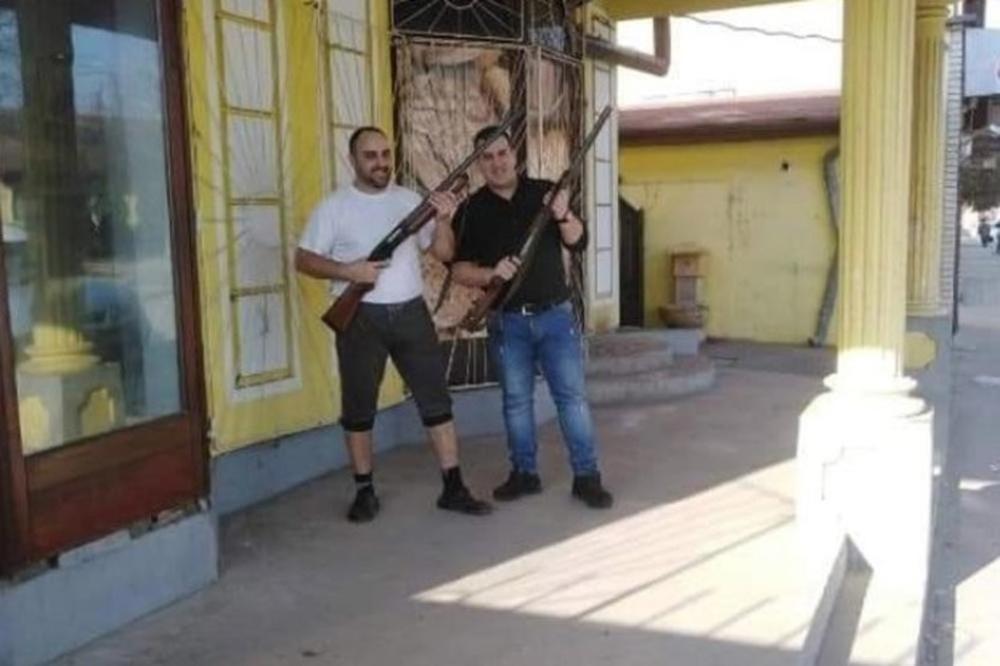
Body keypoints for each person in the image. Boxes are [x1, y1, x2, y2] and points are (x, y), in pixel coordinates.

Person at [295, 126, 491, 523]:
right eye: (371, 155)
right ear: (352, 159)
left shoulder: (409, 200)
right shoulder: (335, 207)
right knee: (359, 407)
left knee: (436, 400)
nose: (381, 162)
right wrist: (349, 271)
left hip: (411, 313)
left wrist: (443, 218)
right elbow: (303, 259)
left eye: (385, 154)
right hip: (360, 317)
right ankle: (364, 491)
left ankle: (453, 486)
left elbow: (444, 253)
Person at [450, 126, 613, 509]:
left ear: (514, 154)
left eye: (502, 153)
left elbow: (579, 241)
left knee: (572, 400)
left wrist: (563, 214)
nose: (497, 163)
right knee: (516, 402)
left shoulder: (546, 193)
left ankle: (587, 477)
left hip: (556, 315)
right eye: (487, 157)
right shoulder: (471, 210)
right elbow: (458, 270)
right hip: (508, 321)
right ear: (479, 164)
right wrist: (491, 273)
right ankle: (524, 474)